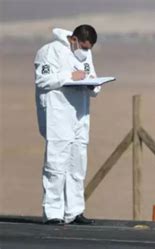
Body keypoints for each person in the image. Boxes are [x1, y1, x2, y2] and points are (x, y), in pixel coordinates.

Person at [34, 24, 101, 225]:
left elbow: (92, 79)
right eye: (83, 46)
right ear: (73, 39)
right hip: (57, 113)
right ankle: (53, 212)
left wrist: (93, 85)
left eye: (89, 48)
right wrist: (68, 77)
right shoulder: (49, 51)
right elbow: (42, 80)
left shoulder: (85, 55)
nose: (85, 52)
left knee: (77, 163)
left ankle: (74, 210)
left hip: (80, 113)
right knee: (56, 163)